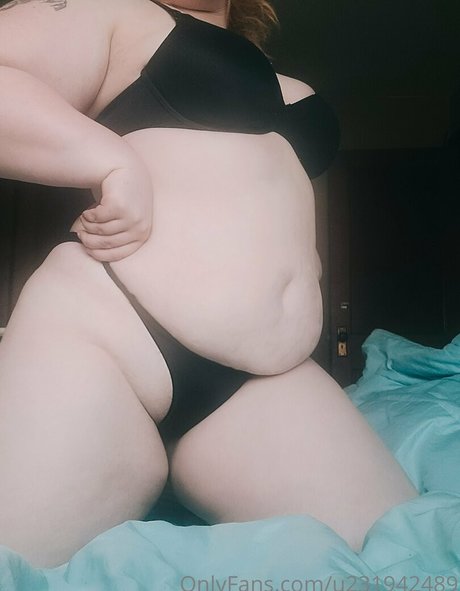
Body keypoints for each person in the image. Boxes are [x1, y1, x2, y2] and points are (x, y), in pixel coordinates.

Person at [0, 0, 418, 568]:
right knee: (14, 564)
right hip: (111, 333)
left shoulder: (264, 69)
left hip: (264, 379)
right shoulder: (115, 11)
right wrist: (109, 160)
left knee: (407, 556)